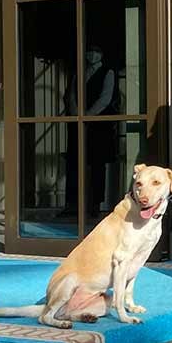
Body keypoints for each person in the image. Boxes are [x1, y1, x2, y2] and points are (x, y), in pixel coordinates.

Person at [63, 45, 119, 219]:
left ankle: (95, 203)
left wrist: (88, 116)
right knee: (74, 164)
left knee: (97, 165)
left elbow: (105, 98)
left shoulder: (108, 72)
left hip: (98, 126)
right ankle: (73, 204)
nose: (92, 54)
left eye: (96, 51)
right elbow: (70, 95)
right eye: (90, 51)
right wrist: (76, 115)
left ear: (101, 54)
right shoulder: (78, 72)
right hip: (78, 125)